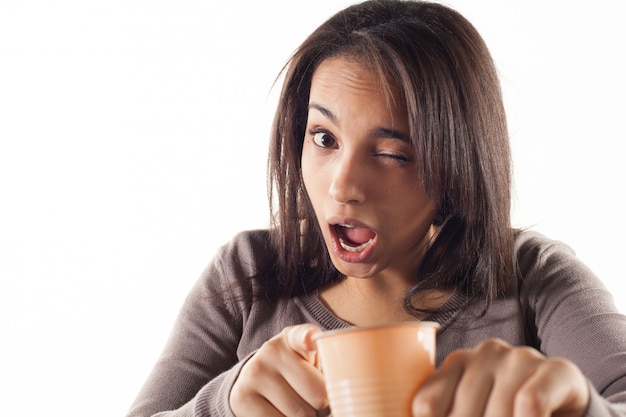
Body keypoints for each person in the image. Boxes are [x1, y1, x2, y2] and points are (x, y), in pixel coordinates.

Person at [125, 1, 626, 416]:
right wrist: (225, 403)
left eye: (390, 154)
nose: (342, 186)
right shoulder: (248, 274)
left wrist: (578, 408)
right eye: (324, 138)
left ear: (456, 164)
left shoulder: (533, 277)